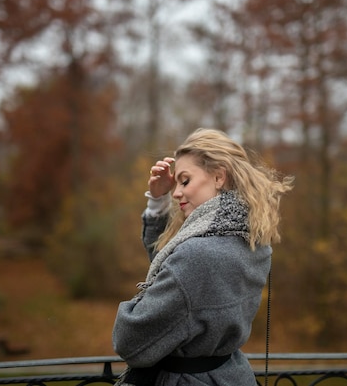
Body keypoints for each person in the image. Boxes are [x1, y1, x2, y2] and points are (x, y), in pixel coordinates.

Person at [112, 128, 294, 386]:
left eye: (184, 181)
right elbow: (171, 263)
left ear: (219, 177)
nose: (176, 192)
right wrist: (157, 200)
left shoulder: (198, 256)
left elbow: (129, 340)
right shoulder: (253, 239)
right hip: (232, 375)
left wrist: (139, 303)